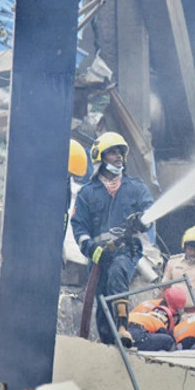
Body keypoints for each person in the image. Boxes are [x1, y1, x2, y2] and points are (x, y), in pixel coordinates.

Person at [71, 131, 154, 345]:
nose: (119, 157)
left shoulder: (136, 188)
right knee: (101, 301)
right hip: (99, 255)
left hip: (127, 249)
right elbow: (79, 227)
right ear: (100, 157)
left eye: (120, 152)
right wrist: (91, 249)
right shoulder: (87, 194)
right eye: (112, 152)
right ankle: (108, 344)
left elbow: (149, 213)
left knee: (118, 272)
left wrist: (142, 221)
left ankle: (122, 328)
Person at [122, 285, 186, 351]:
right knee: (168, 341)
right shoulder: (161, 324)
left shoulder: (147, 313)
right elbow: (164, 337)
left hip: (121, 328)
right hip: (134, 334)